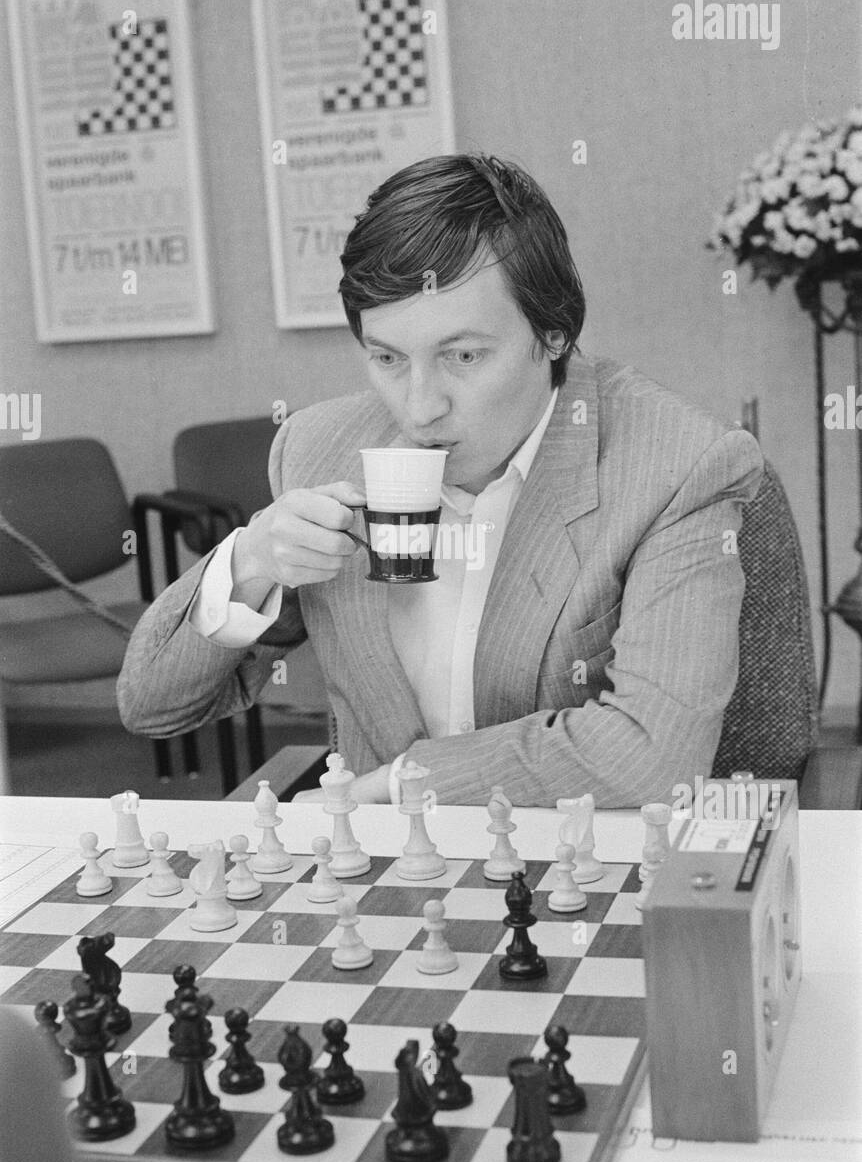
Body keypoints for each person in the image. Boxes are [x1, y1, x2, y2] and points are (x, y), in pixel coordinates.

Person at [117, 153, 763, 808]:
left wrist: (403, 784)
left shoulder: (676, 463)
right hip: (382, 879)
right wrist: (250, 560)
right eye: (389, 358)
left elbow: (650, 758)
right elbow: (153, 706)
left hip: (577, 869)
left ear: (554, 334)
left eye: (463, 355)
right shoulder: (318, 448)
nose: (420, 407)